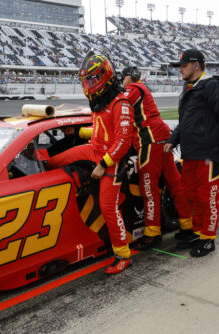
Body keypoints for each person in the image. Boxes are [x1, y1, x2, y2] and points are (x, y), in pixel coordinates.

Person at [46, 51, 134, 274]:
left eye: (93, 79)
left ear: (105, 76)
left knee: (108, 208)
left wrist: (102, 164)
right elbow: (99, 130)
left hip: (111, 160)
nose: (89, 84)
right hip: (93, 150)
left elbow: (123, 141)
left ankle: (123, 255)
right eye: (86, 80)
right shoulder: (100, 101)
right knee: (54, 161)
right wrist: (76, 131)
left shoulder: (121, 103)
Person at [164, 49, 219, 257]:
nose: (180, 70)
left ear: (196, 65)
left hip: (210, 154)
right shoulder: (189, 87)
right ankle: (199, 233)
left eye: (183, 66)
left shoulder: (212, 85)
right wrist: (173, 140)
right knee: (191, 195)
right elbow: (186, 122)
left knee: (206, 197)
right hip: (190, 154)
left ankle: (208, 239)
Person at [122, 66, 193, 250]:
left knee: (149, 188)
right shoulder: (141, 88)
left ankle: (152, 234)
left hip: (150, 140)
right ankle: (187, 225)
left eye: (123, 78)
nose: (122, 82)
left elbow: (118, 104)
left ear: (129, 77)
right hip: (161, 137)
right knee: (175, 184)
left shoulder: (133, 88)